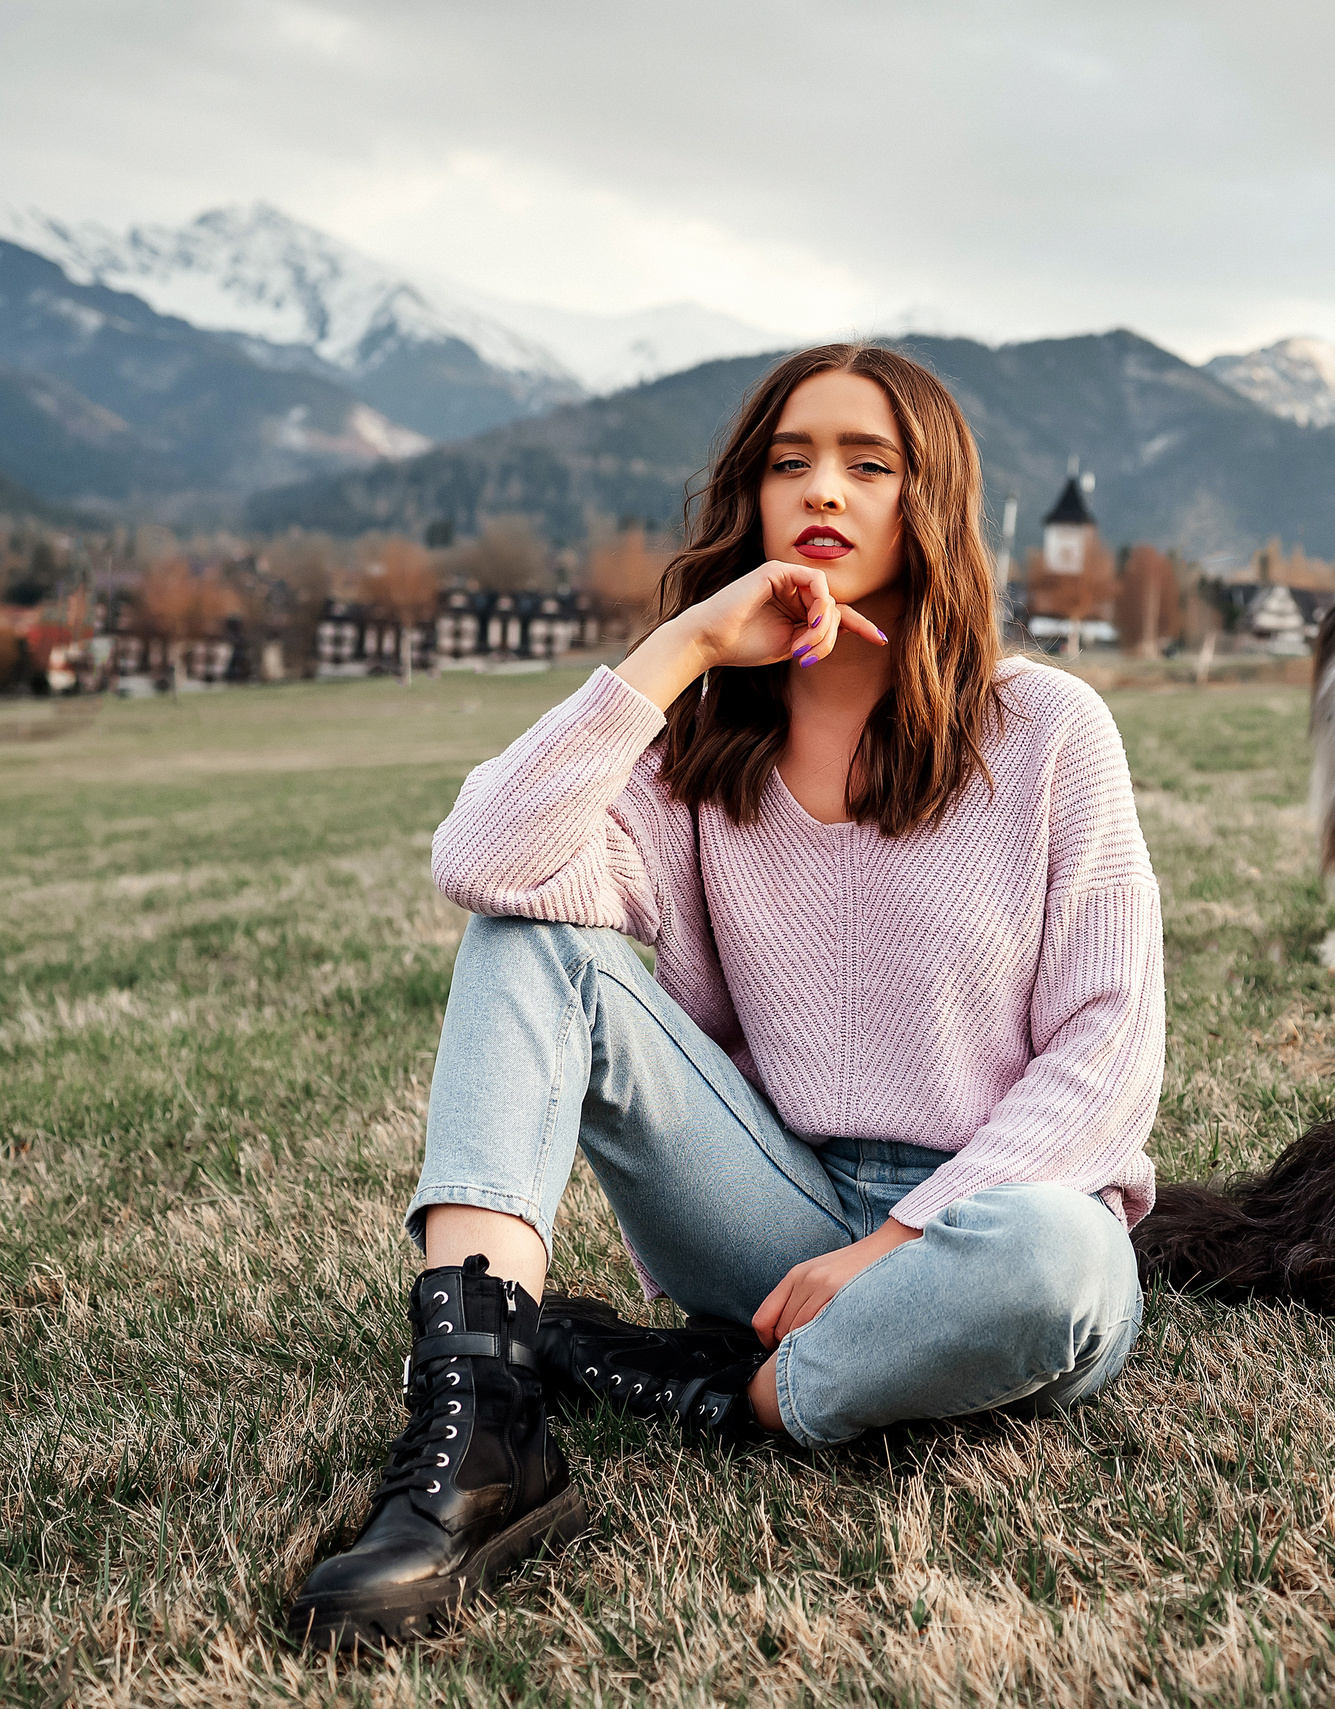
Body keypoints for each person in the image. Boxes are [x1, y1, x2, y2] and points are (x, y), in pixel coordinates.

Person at [289, 345, 1163, 1648]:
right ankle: (480, 1424)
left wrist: (899, 1243)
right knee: (532, 937)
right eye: (789, 460)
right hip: (770, 1222)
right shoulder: (701, 757)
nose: (825, 488)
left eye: (871, 464)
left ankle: (727, 1392)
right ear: (749, 501)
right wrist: (686, 646)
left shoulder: (1047, 729)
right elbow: (482, 862)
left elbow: (1106, 1047)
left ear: (932, 505)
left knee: (1067, 1260)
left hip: (981, 1246)